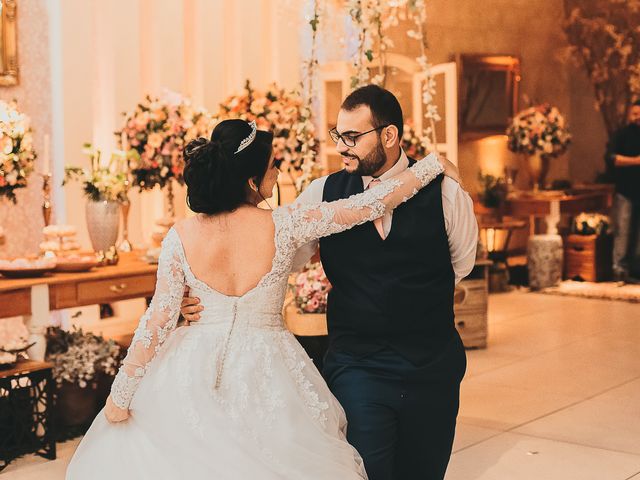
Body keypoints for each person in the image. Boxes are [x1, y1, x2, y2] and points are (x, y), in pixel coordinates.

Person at [66, 118, 448, 479]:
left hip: (191, 368)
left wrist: (121, 395)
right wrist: (431, 166)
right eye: (272, 167)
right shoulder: (284, 223)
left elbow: (156, 322)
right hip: (269, 369)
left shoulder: (180, 236)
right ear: (251, 180)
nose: (278, 173)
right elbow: (371, 204)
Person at [182, 85, 478, 480]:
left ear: (389, 136)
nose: (343, 147)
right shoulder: (322, 194)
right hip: (359, 364)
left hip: (433, 366)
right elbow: (270, 259)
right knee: (363, 472)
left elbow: (461, 263)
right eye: (339, 136)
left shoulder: (446, 193)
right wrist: (201, 293)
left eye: (353, 137)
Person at [606, 99, 640, 282]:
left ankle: (636, 269)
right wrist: (635, 161)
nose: (637, 118)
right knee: (623, 230)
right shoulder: (621, 135)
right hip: (625, 191)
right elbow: (611, 158)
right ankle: (619, 269)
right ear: (629, 114)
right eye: (634, 114)